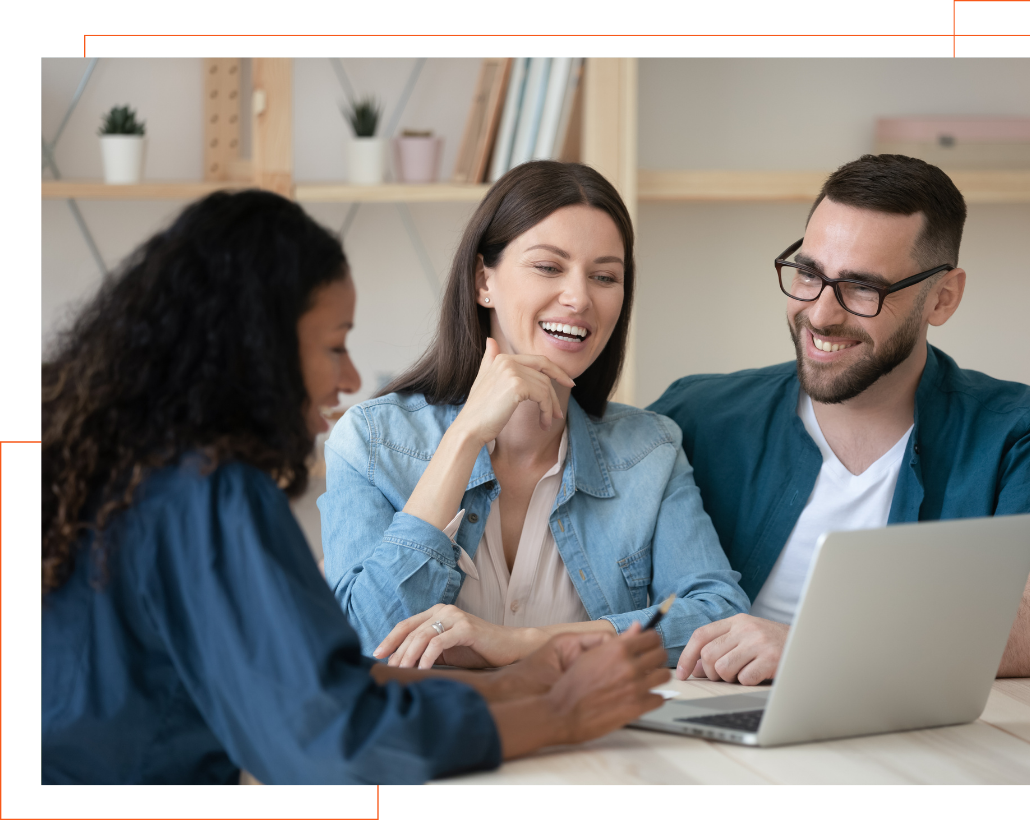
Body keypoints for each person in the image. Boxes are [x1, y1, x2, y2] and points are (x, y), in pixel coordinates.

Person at [40, 189, 670, 785]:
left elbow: (313, 683)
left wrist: (515, 682)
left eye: (604, 275)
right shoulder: (209, 493)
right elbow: (327, 739)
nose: (349, 378)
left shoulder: (122, 469)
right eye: (335, 346)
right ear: (257, 349)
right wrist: (558, 713)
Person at [650, 154, 1030, 686]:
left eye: (863, 288)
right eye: (809, 274)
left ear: (943, 298)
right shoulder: (693, 418)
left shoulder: (1027, 438)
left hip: (919, 748)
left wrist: (813, 648)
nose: (820, 314)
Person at [318, 161, 749, 668]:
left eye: (604, 276)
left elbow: (715, 617)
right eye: (548, 267)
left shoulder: (650, 450)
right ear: (484, 281)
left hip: (596, 741)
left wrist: (522, 644)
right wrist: (465, 437)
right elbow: (362, 640)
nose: (579, 298)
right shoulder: (371, 442)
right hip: (436, 740)